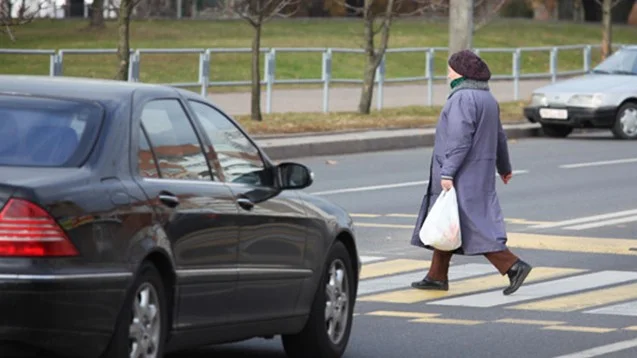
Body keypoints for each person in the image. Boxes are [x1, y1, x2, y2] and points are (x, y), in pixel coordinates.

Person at [409, 49, 532, 296]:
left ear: (461, 73)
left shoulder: (462, 99)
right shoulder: (488, 98)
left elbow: (459, 139)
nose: (447, 73)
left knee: (469, 224)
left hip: (462, 173)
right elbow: (499, 136)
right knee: (449, 221)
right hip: (479, 172)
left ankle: (513, 266)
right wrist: (504, 167)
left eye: (450, 69)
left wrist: (447, 172)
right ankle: (436, 276)